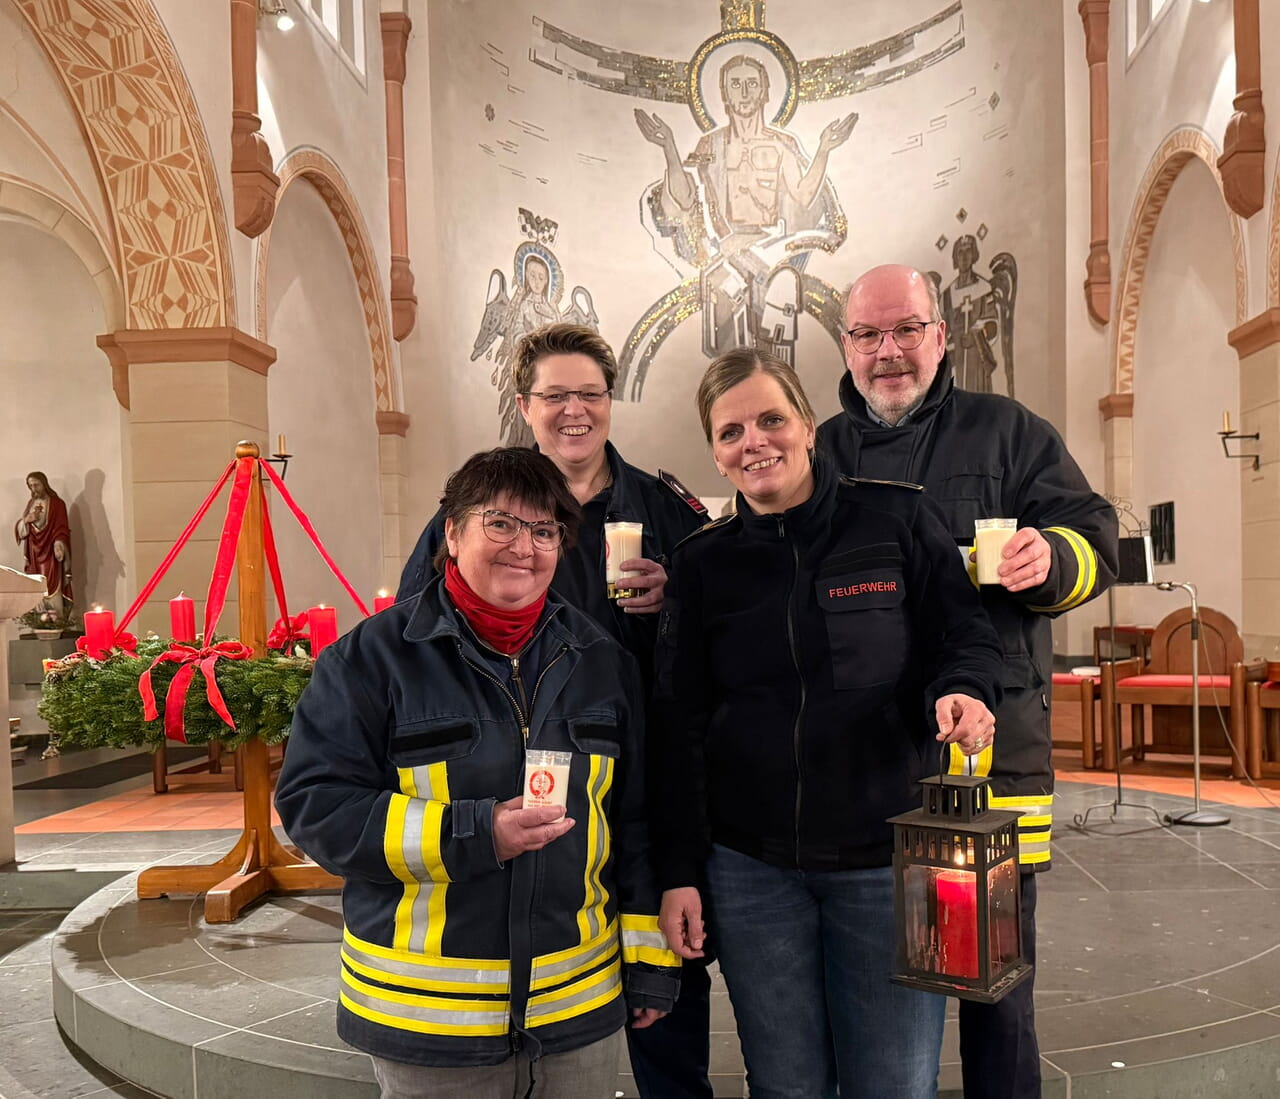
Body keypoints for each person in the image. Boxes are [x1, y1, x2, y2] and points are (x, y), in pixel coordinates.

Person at [652, 349, 1004, 1099]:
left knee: (894, 1083)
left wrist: (965, 690)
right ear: (715, 452)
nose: (754, 442)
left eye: (771, 419)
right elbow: (678, 727)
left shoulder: (897, 519)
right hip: (752, 872)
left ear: (809, 426)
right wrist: (680, 870)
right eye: (730, 431)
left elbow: (965, 635)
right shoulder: (702, 564)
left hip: (887, 861)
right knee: (786, 1086)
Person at [275, 448, 680, 1099]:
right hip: (428, 1019)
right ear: (453, 533)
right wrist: (476, 832)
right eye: (500, 523)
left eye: (543, 530)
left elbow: (633, 822)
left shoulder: (600, 661)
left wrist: (650, 964)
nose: (523, 547)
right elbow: (316, 807)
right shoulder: (370, 660)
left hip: (576, 1010)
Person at [816, 264, 1119, 1099]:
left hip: (992, 751)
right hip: (861, 757)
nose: (888, 351)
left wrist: (1051, 555)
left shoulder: (1009, 430)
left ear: (941, 335)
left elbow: (1095, 533)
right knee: (863, 980)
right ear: (845, 345)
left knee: (996, 985)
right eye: (868, 334)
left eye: (906, 330)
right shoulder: (820, 450)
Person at [396, 323, 713, 1098]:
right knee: (541, 990)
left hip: (642, 787)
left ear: (610, 400)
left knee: (666, 1007)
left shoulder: (667, 511)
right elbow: (417, 631)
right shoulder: (476, 510)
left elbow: (726, 642)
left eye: (590, 394)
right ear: (524, 404)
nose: (575, 411)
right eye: (555, 395)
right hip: (516, 787)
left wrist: (678, 602)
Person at [14, 471, 72, 614]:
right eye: (31, 486)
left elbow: (62, 528)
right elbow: (22, 530)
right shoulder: (31, 504)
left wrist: (59, 544)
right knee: (36, 586)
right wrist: (26, 521)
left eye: (36, 485)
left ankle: (56, 619)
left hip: (51, 553)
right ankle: (39, 619)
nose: (34, 489)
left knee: (52, 583)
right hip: (34, 552)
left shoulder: (58, 504)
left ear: (44, 484)